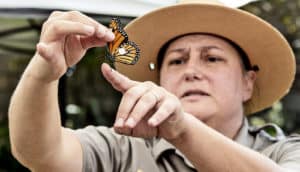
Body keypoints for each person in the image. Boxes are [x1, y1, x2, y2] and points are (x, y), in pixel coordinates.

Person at [8, 0, 300, 171]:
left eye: (212, 58)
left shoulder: (283, 151)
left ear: (248, 83)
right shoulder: (121, 147)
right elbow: (41, 154)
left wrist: (182, 129)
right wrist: (42, 76)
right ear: (159, 81)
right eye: (176, 61)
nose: (191, 72)